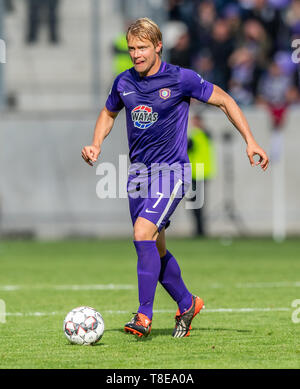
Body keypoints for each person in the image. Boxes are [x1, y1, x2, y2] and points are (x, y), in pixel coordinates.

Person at [81, 18, 269, 338]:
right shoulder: (123, 82)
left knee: (143, 234)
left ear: (158, 46)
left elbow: (224, 100)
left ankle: (144, 315)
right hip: (139, 175)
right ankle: (186, 303)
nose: (136, 54)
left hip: (173, 173)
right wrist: (96, 143)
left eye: (142, 48)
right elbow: (108, 111)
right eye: (131, 49)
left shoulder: (181, 79)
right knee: (156, 248)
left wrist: (250, 140)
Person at [187, 113, 216, 237]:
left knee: (195, 203)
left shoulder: (195, 136)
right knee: (198, 203)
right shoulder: (206, 135)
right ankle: (200, 229)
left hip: (195, 173)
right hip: (203, 172)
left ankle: (199, 231)